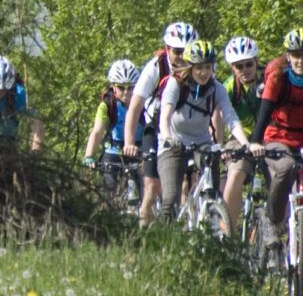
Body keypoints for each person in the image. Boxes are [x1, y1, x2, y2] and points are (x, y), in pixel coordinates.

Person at [248, 26, 303, 291]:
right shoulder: (277, 73)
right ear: (288, 55)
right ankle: (272, 222)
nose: (300, 61)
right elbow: (265, 109)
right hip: (280, 137)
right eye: (295, 55)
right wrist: (255, 141)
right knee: (284, 168)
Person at [154, 37, 237, 222]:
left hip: (201, 143)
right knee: (171, 198)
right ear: (189, 67)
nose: (203, 72)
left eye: (208, 67)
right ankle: (163, 241)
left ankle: (212, 214)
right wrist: (167, 137)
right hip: (173, 144)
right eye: (198, 67)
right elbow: (165, 116)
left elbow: (231, 117)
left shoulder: (217, 88)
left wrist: (246, 143)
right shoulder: (176, 84)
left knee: (212, 163)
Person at [124, 21, 199, 225]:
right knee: (152, 187)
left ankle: (184, 232)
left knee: (188, 185)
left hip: (185, 131)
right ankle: (144, 235)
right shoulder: (156, 67)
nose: (182, 57)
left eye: (187, 52)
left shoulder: (201, 68)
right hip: (155, 129)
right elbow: (135, 106)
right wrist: (129, 142)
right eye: (177, 51)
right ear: (167, 49)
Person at [216, 34, 264, 236]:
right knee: (234, 174)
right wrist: (218, 147)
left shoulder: (271, 79)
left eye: (248, 64)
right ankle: (228, 233)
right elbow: (217, 115)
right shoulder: (229, 86)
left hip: (269, 138)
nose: (244, 70)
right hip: (239, 140)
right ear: (232, 68)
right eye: (238, 66)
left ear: (256, 62)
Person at [81, 58, 143, 194]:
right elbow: (97, 131)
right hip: (114, 151)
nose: (126, 92)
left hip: (139, 150)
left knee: (148, 188)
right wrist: (89, 155)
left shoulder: (144, 104)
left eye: (131, 87)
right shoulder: (107, 105)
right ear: (113, 87)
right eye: (121, 87)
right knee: (109, 188)